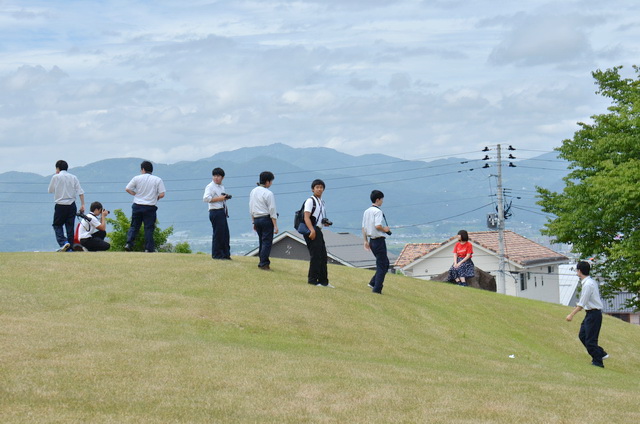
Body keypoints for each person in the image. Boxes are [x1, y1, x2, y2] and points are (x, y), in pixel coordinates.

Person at [566, 261, 609, 368]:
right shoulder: (589, 282)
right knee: (583, 335)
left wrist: (571, 315)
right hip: (590, 313)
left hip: (594, 314)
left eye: (577, 270)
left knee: (590, 340)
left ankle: (598, 361)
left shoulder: (588, 285)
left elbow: (582, 304)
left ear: (579, 271)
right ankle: (601, 353)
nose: (576, 272)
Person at [124, 161, 166, 252]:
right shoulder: (157, 179)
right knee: (149, 228)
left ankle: (129, 243)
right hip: (150, 207)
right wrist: (156, 197)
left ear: (143, 169)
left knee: (134, 226)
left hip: (137, 205)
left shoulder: (136, 178)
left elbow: (127, 188)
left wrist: (135, 194)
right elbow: (162, 194)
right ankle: (148, 248)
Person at [48, 160, 85, 252]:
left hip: (60, 205)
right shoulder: (73, 177)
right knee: (70, 226)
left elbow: (50, 190)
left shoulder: (55, 177)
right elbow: (80, 191)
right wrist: (82, 204)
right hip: (71, 204)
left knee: (57, 225)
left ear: (57, 168)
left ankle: (64, 243)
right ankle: (70, 247)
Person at [302, 179, 333, 287]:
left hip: (318, 229)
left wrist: (325, 223)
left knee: (323, 256)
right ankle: (312, 281)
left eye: (321, 187)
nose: (319, 189)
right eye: (317, 187)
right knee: (315, 256)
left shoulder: (321, 202)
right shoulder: (310, 201)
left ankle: (323, 281)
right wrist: (312, 230)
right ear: (312, 189)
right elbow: (306, 217)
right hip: (313, 230)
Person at [362, 190, 391, 294]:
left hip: (371, 240)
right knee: (382, 265)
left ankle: (373, 282)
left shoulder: (367, 211)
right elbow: (378, 226)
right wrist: (386, 230)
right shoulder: (378, 211)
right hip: (379, 241)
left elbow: (364, 228)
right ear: (378, 199)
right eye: (382, 199)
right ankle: (377, 289)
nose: (382, 201)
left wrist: (365, 241)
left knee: (384, 264)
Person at [249, 171, 278, 270]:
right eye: (271, 181)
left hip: (256, 219)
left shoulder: (253, 191)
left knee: (261, 241)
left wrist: (253, 221)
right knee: (267, 242)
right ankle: (264, 263)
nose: (271, 183)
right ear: (267, 181)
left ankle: (262, 261)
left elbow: (251, 207)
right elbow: (272, 210)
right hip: (266, 219)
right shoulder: (268, 193)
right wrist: (275, 225)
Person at [203, 167, 231, 260]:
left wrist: (224, 198)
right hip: (215, 211)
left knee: (225, 234)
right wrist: (220, 198)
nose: (216, 178)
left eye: (218, 176)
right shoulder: (210, 186)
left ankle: (225, 254)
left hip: (222, 210)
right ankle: (217, 255)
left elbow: (220, 197)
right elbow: (206, 199)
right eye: (214, 176)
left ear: (222, 177)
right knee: (218, 234)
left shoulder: (221, 186)